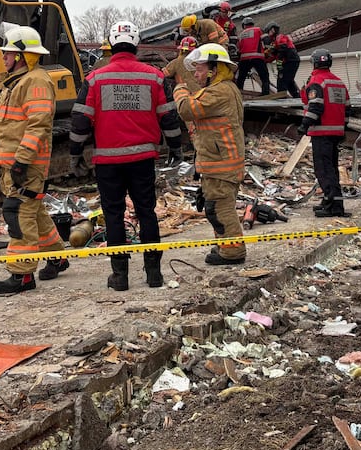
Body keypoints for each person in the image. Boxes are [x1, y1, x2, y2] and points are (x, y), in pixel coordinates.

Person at [69, 21, 183, 291]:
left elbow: (80, 121)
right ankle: (154, 274)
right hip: (143, 159)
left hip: (108, 162)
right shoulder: (154, 77)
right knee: (147, 213)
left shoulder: (95, 78)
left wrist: (75, 154)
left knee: (113, 215)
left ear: (110, 43)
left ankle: (120, 277)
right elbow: (169, 116)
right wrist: (176, 147)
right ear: (136, 43)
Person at [0, 25, 70, 294]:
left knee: (19, 214)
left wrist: (22, 162)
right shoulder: (16, 82)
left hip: (25, 164)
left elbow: (38, 125)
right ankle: (57, 257)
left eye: (8, 53)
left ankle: (22, 274)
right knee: (34, 213)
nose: (4, 57)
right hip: (14, 163)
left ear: (23, 56)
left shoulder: (35, 81)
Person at [173, 44, 247, 265]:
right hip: (220, 163)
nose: (196, 74)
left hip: (221, 166)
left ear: (214, 68)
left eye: (200, 69)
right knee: (216, 207)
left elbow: (187, 109)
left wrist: (179, 89)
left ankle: (232, 253)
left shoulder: (219, 91)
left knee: (220, 209)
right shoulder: (225, 89)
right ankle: (224, 245)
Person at [298, 48, 350, 217]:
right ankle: (330, 201)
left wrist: (304, 125)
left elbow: (316, 106)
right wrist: (343, 129)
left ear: (314, 62)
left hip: (321, 132)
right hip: (336, 132)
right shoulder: (338, 82)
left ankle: (334, 207)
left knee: (324, 170)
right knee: (332, 168)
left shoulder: (316, 81)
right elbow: (347, 109)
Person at [234, 16, 270, 95]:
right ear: (252, 24)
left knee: (241, 78)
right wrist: (268, 51)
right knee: (264, 77)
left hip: (244, 59)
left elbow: (238, 49)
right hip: (258, 58)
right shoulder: (258, 30)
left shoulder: (241, 34)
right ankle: (266, 93)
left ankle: (239, 94)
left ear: (244, 25)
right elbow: (266, 40)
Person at [263, 22, 300, 95]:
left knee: (281, 83)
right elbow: (273, 55)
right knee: (289, 83)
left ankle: (282, 101)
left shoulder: (280, 37)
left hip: (289, 61)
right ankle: (297, 100)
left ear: (272, 30)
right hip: (290, 61)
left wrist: (279, 64)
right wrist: (263, 60)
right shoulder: (275, 42)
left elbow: (282, 50)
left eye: (268, 32)